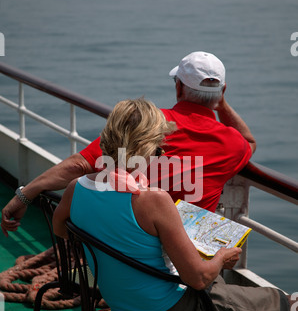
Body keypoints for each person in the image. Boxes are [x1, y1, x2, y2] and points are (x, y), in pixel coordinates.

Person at [52, 98, 294, 311]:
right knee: (240, 296)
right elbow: (198, 278)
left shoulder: (77, 188)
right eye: (159, 145)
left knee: (225, 295)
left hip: (119, 308)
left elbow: (61, 230)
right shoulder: (152, 200)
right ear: (149, 146)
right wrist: (223, 256)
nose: (161, 151)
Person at [1, 51, 256, 236]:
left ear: (179, 88)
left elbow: (78, 166)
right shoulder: (232, 144)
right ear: (223, 91)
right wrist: (220, 102)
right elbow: (249, 141)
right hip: (182, 257)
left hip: (124, 242)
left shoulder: (145, 123)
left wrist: (24, 196)